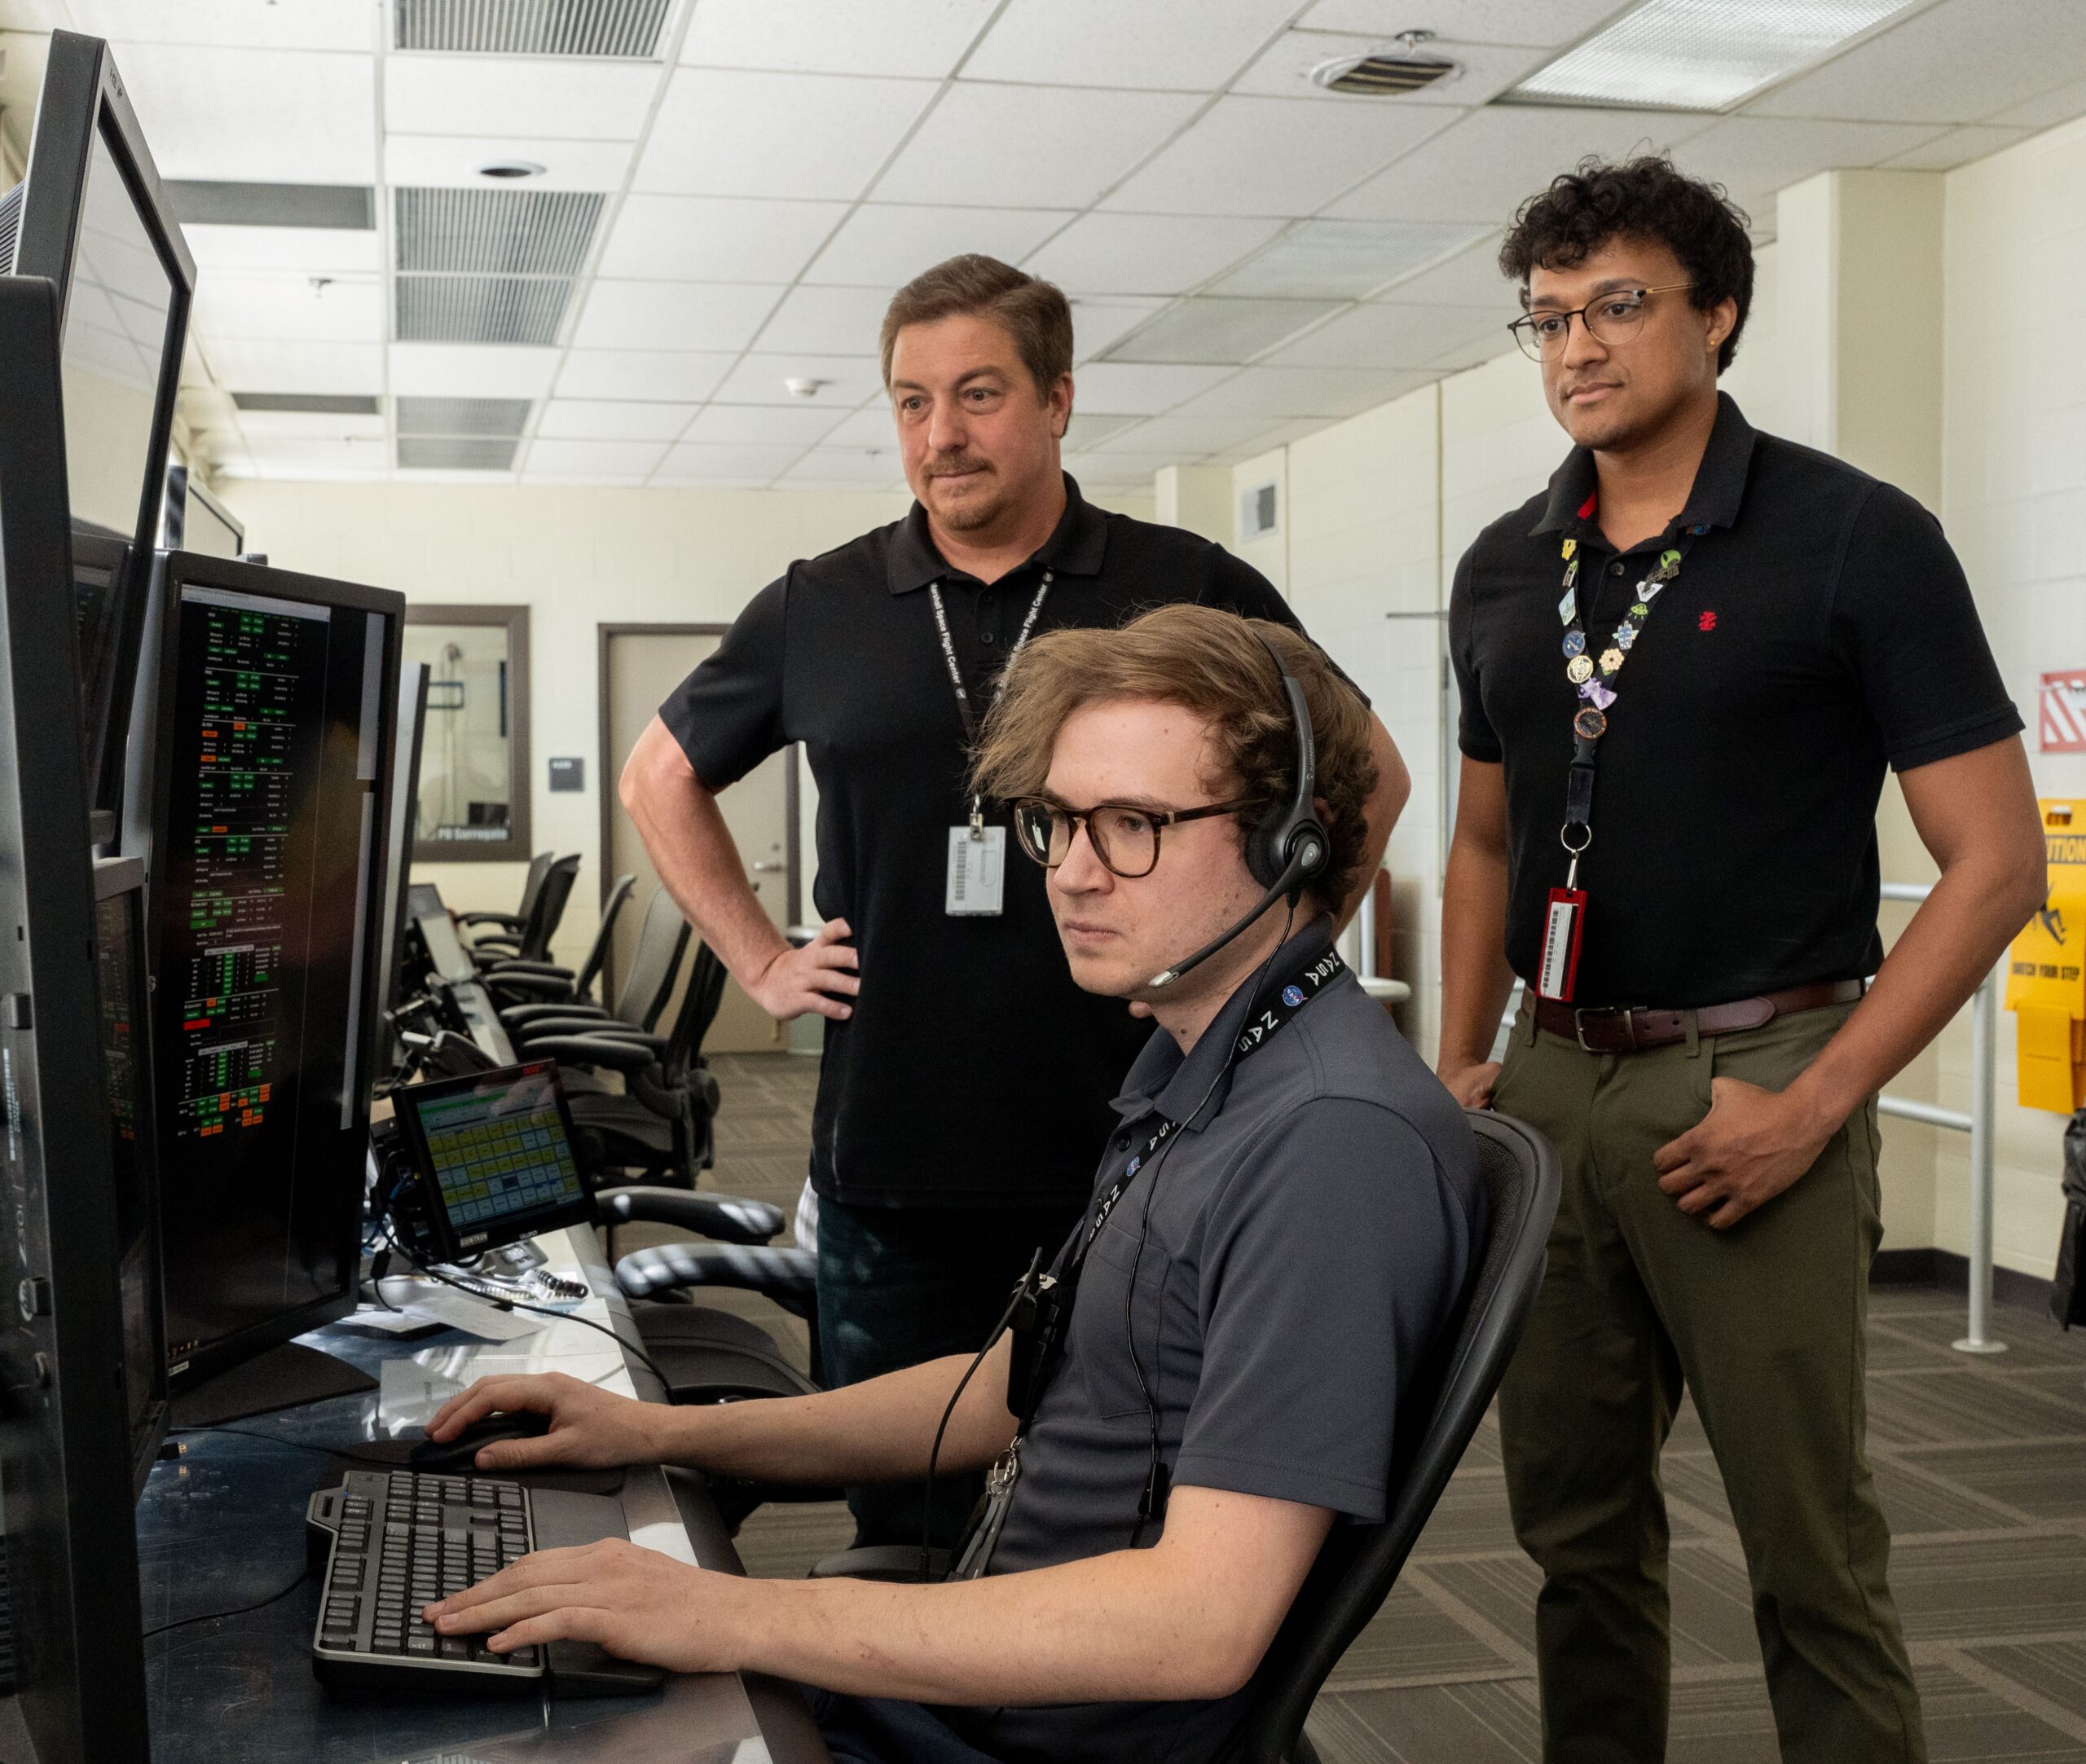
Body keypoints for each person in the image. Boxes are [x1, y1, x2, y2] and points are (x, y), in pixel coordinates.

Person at [429, 605, 1480, 1764]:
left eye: (1132, 825)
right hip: (970, 1682)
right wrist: (662, 1429)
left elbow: (1200, 1625)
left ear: (1295, 842)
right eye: (1058, 822)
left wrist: (732, 1613)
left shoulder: (1326, 1142)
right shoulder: (1200, 1066)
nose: (1073, 874)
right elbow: (1008, 1395)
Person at [619, 253, 1408, 1552]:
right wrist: (757, 960)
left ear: (1057, 400)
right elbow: (660, 777)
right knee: (902, 1519)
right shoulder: (822, 601)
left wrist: (1270, 979)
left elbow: (1368, 772)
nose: (942, 434)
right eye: (911, 401)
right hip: (893, 1156)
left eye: (978, 394)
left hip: (1131, 1138)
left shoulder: (1182, 579)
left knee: (1128, 1508)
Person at [1435, 156, 2047, 1764]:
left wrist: (1814, 1102)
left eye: (1616, 306)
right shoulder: (1504, 565)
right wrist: (1457, 1061)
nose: (1575, 345)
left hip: (1760, 1077)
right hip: (1553, 1078)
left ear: (1716, 315)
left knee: (1807, 1561)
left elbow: (1994, 866)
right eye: (1546, 317)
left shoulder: (1853, 539)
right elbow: (1484, 843)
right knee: (1571, 1541)